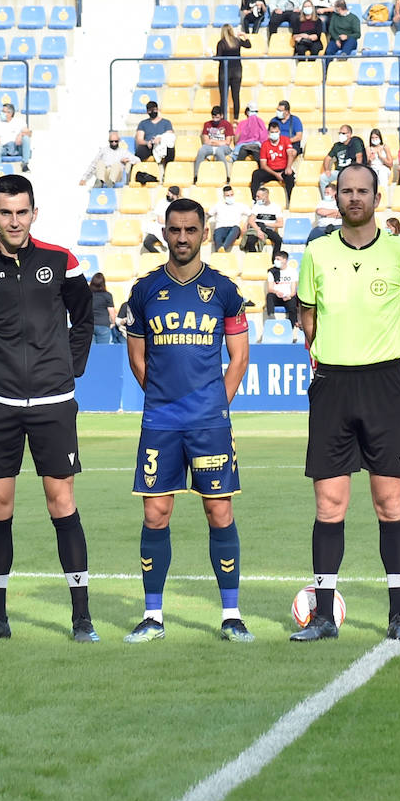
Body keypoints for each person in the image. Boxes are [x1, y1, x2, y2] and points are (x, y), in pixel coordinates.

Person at [0, 175, 97, 643]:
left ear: (34, 213)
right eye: (6, 212)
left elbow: (84, 317)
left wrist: (68, 368)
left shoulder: (61, 261)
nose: (14, 220)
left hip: (53, 402)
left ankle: (81, 618)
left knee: (62, 501)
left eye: (22, 212)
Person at [290, 163, 400, 643]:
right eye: (346, 191)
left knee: (390, 503)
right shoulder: (316, 253)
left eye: (363, 191)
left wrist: (397, 374)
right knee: (329, 504)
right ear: (335, 196)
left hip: (383, 388)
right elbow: (307, 318)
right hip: (332, 386)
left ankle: (398, 617)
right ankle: (325, 618)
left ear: (377, 196)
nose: (354, 198)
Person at [122, 197, 253, 643]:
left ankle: (231, 615)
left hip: (209, 423)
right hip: (160, 421)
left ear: (203, 231)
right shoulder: (144, 291)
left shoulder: (224, 290)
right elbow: (137, 356)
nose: (181, 238)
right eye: (174, 230)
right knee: (155, 513)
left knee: (219, 511)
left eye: (189, 230)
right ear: (165, 231)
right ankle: (153, 616)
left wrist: (218, 403)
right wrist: (161, 398)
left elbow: (238, 357)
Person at [250, 119, 297, 205]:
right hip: (270, 171)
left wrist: (288, 167)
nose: (274, 134)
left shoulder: (285, 140)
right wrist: (276, 174)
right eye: (272, 132)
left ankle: (291, 202)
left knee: (290, 176)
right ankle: (255, 200)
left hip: (283, 169)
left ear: (279, 132)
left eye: (276, 132)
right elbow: (263, 165)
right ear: (268, 133)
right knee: (256, 174)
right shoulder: (265, 144)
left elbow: (290, 153)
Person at [214, 24, 251, 120]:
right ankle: (235, 119)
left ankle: (223, 119)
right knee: (236, 96)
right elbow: (248, 45)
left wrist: (212, 56)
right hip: (237, 71)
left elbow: (218, 57)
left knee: (223, 97)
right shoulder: (237, 41)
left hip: (224, 72)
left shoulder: (221, 43)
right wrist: (244, 35)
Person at [194, 105, 236, 183]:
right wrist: (218, 142)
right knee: (201, 150)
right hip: (210, 145)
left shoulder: (227, 124)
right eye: (213, 117)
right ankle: (197, 175)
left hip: (224, 147)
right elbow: (206, 141)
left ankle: (225, 175)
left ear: (221, 116)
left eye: (217, 117)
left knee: (219, 151)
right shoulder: (207, 124)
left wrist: (214, 142)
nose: (215, 120)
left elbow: (227, 142)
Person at [319, 124, 365, 194]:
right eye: (339, 133)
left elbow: (359, 156)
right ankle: (326, 199)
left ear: (349, 134)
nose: (341, 135)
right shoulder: (337, 146)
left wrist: (356, 171)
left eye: (343, 133)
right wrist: (327, 170)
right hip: (338, 172)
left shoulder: (355, 143)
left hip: (350, 171)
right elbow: (327, 158)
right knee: (323, 177)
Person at [241, 185, 284, 254]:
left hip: (268, 229)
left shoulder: (276, 207)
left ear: (265, 197)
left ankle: (274, 260)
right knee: (250, 241)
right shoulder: (256, 206)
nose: (256, 198)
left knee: (278, 240)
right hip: (256, 227)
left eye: (258, 197)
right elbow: (251, 221)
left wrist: (265, 224)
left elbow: (280, 224)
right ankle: (255, 258)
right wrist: (258, 230)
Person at [0, 102, 31, 171]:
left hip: (17, 147)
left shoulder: (19, 122)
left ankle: (25, 164)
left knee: (26, 138)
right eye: (2, 111)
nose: (1, 113)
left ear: (10, 113)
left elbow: (29, 133)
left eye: (4, 111)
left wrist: (20, 135)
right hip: (4, 148)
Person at [209, 184, 249, 252]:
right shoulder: (218, 205)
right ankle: (220, 251)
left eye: (231, 195)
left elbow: (252, 215)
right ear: (224, 196)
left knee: (235, 228)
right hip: (220, 228)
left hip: (234, 229)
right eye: (228, 195)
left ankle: (223, 248)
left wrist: (245, 225)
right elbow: (208, 214)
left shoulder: (240, 205)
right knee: (217, 233)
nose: (230, 197)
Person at [135, 101, 176, 166]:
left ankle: (168, 170)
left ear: (157, 109)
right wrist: (147, 142)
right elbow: (139, 139)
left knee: (170, 150)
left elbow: (169, 135)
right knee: (140, 152)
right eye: (150, 110)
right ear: (147, 111)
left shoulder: (166, 122)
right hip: (149, 145)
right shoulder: (143, 123)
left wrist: (160, 138)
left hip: (162, 145)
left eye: (154, 110)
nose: (152, 112)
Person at [265, 249, 299, 326]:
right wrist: (276, 292)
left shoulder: (292, 271)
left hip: (288, 296)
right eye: (275, 259)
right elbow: (270, 288)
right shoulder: (272, 272)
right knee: (269, 296)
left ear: (285, 260)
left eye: (278, 259)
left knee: (293, 301)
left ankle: (292, 325)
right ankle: (271, 317)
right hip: (277, 296)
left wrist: (289, 296)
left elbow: (293, 291)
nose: (275, 261)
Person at [143, 186, 179, 253]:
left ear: (175, 195)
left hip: (173, 230)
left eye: (170, 193)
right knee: (147, 242)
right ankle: (159, 256)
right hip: (159, 228)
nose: (168, 195)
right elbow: (160, 220)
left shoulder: (180, 204)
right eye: (168, 193)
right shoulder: (162, 202)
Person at [89, 273, 119, 344]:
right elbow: (112, 312)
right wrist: (113, 323)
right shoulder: (107, 295)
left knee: (91, 351)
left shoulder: (87, 295)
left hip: (89, 324)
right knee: (102, 350)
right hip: (103, 325)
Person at [365, 128, 394, 193]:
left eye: (376, 137)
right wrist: (370, 160)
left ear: (380, 138)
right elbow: (366, 164)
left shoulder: (385, 147)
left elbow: (390, 164)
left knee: (382, 173)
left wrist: (381, 157)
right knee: (372, 174)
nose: (374, 139)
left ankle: (384, 195)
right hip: (373, 167)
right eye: (372, 138)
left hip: (383, 167)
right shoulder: (368, 148)